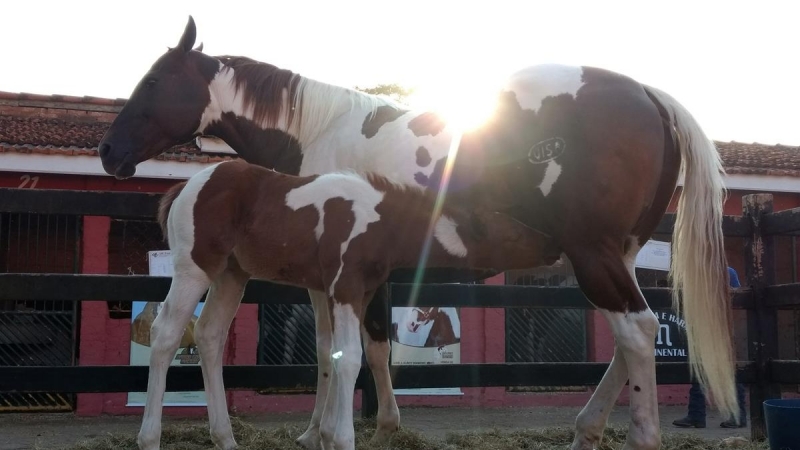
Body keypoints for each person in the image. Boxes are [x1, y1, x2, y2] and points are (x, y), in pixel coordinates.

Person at [672, 266, 748, 429]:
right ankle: (737, 415)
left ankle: (697, 416)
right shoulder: (728, 271)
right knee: (727, 371)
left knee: (702, 371)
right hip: (721, 326)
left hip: (705, 325)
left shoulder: (695, 270)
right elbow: (737, 296)